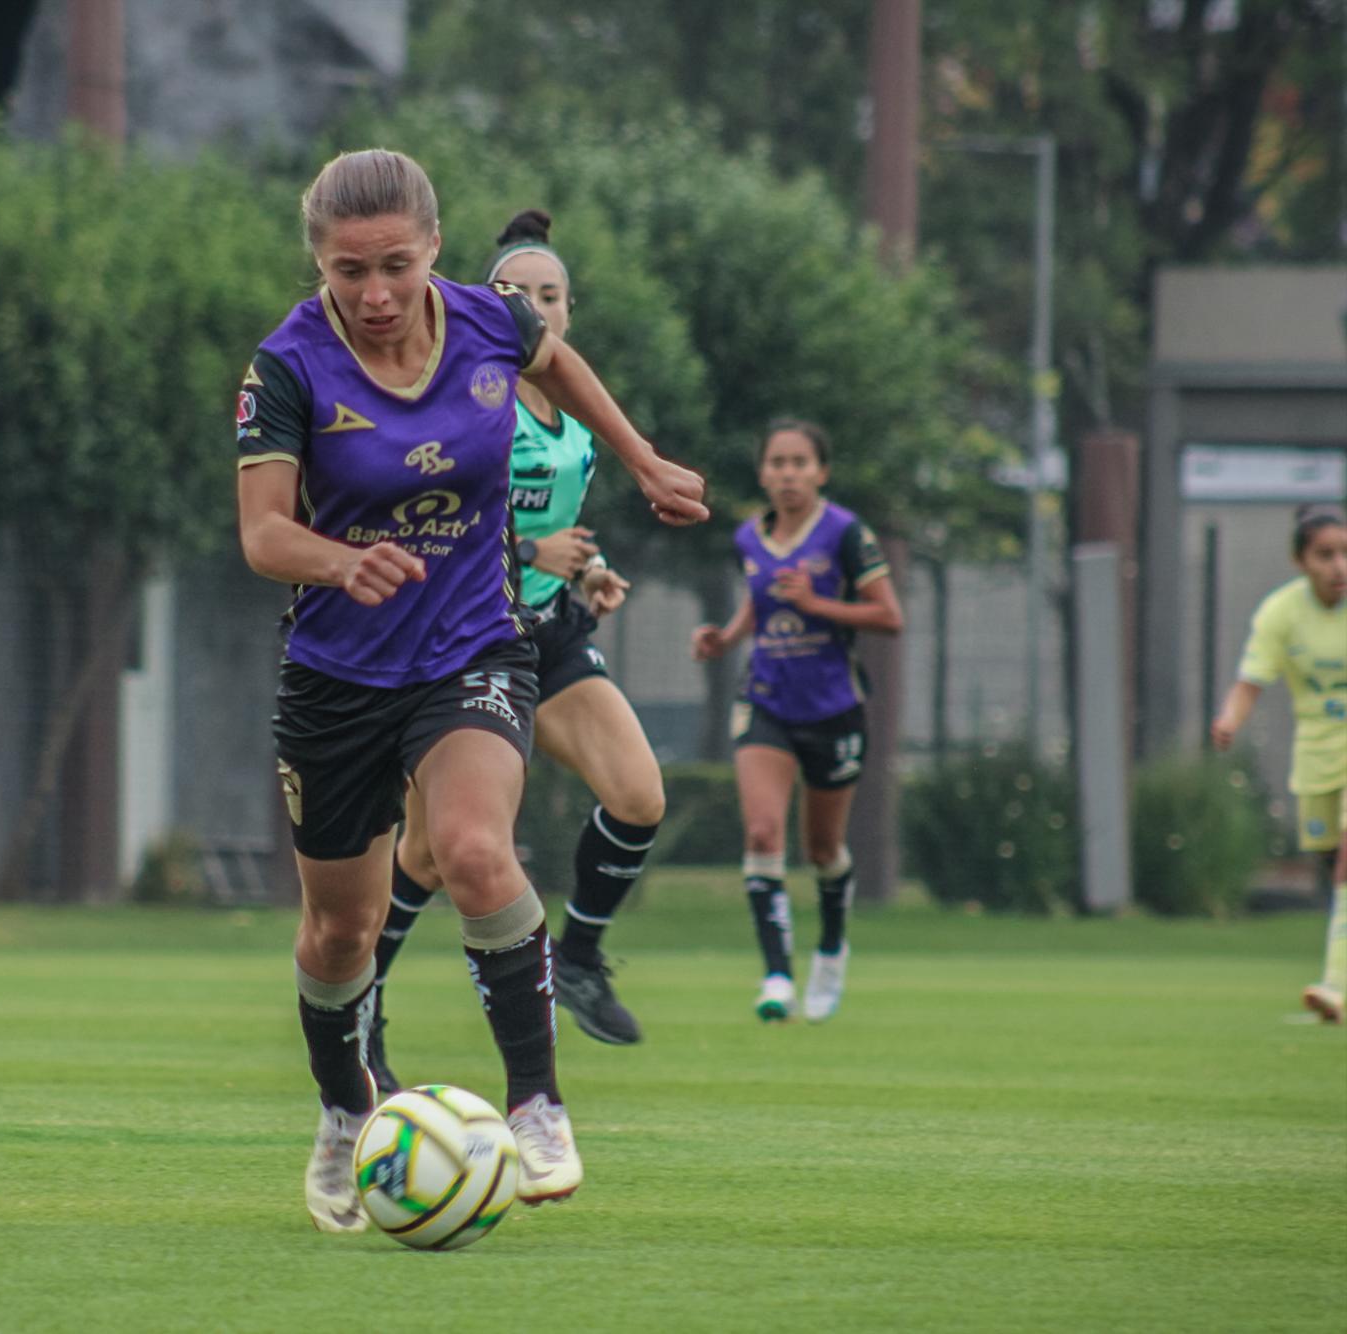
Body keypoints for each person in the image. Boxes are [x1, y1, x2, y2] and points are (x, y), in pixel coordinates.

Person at [237, 148, 709, 1232]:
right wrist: (336, 560)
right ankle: (340, 1110)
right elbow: (262, 531)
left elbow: (558, 365)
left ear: (433, 249)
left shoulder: (489, 319)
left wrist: (641, 460)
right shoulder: (287, 366)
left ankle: (536, 1101)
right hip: (336, 678)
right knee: (337, 935)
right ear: (318, 261)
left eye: (394, 265)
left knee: (473, 849)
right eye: (347, 270)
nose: (373, 294)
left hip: (469, 647)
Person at [366, 208, 669, 1080]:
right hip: (465, 634)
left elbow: (556, 522)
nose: (534, 306)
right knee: (425, 853)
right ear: (485, 309)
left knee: (640, 795)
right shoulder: (468, 399)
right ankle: (362, 1006)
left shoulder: (577, 414)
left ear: (567, 313)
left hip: (548, 632)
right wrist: (533, 552)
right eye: (514, 293)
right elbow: (434, 518)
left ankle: (577, 959)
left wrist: (589, 568)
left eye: (550, 294)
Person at [691, 419, 902, 1023]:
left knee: (823, 847)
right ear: (763, 473)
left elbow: (890, 616)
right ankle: (777, 973)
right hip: (766, 702)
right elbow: (759, 599)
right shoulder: (748, 538)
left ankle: (831, 950)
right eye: (777, 463)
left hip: (834, 708)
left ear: (821, 472)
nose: (788, 474)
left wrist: (817, 604)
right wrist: (724, 638)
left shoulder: (845, 534)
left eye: (800, 463)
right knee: (762, 833)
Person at [1211, 504, 1347, 1023]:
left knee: (1346, 864)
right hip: (1317, 753)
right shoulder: (1281, 613)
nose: (1339, 567)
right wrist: (1229, 720)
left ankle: (1334, 985)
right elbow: (1252, 681)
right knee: (1328, 860)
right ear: (1300, 560)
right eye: (1325, 555)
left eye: (1346, 553)